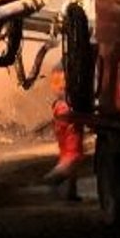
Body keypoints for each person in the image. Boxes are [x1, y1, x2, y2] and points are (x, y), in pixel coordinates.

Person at [45, 69, 85, 199]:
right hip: (70, 133)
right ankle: (53, 178)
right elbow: (65, 116)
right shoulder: (63, 105)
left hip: (70, 132)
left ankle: (71, 193)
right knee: (72, 159)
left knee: (73, 161)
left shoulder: (61, 74)